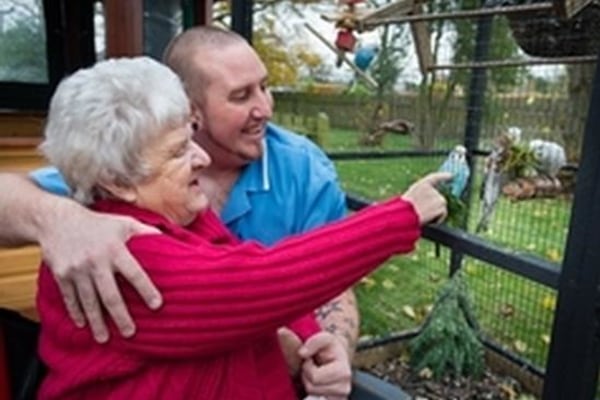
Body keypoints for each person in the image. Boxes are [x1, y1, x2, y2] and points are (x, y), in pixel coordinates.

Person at [36, 56, 448, 399]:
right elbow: (256, 283)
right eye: (178, 151)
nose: (200, 157)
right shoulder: (116, 257)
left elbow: (247, 279)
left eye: (191, 137)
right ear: (118, 182)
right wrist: (401, 215)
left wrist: (311, 342)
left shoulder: (187, 220)